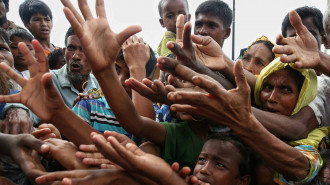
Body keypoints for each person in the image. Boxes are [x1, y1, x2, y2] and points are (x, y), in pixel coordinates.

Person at [72, 36, 156, 136]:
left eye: (131, 75)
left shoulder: (156, 113)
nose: (121, 81)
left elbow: (145, 131)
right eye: (116, 70)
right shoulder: (88, 107)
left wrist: (137, 67)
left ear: (146, 82)